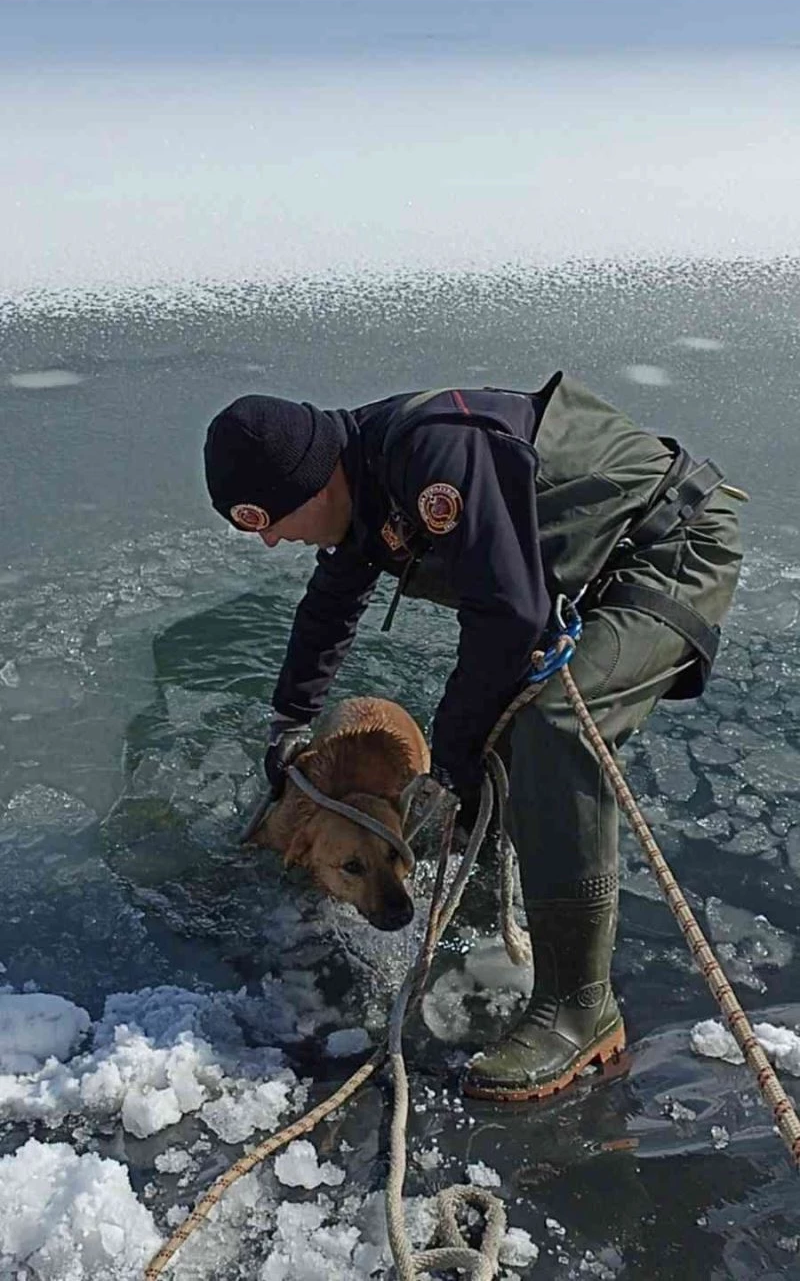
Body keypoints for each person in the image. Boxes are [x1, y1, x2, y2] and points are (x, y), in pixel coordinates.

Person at [203, 374, 743, 1102]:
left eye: (269, 518)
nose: (269, 537)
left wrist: (450, 758)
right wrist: (292, 721)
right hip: (589, 571)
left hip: (669, 550)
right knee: (494, 727)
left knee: (549, 727)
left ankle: (581, 1009)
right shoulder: (362, 479)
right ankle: (487, 899)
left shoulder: (432, 459)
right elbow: (331, 604)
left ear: (314, 480)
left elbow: (511, 617)